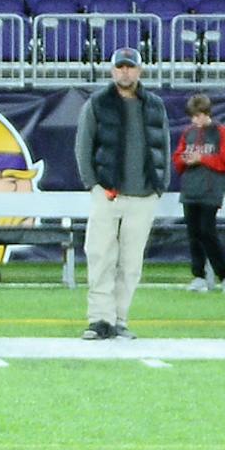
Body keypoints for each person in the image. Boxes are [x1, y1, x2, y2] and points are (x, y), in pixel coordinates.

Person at [74, 45, 169, 338]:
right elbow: (83, 145)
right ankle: (99, 319)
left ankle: (120, 319)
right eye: (120, 67)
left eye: (130, 66)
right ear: (112, 70)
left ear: (140, 70)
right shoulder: (97, 103)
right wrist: (94, 184)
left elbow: (163, 144)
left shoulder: (154, 105)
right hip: (108, 191)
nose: (125, 71)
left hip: (143, 195)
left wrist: (159, 186)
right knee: (100, 255)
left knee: (130, 263)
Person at [176, 93, 225, 291]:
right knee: (193, 234)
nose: (196, 120)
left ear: (207, 114)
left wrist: (202, 159)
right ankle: (199, 276)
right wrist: (184, 158)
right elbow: (177, 159)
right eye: (193, 117)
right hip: (190, 191)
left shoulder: (221, 131)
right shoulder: (188, 133)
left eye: (199, 116)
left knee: (207, 233)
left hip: (211, 191)